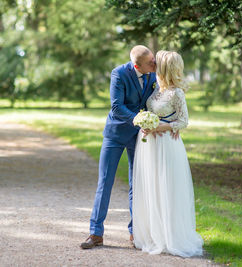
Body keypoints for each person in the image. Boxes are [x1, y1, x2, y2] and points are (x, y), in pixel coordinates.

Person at [80, 45, 157, 249]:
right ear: (136, 65)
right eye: (151, 62)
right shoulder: (119, 73)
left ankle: (135, 233)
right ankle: (96, 233)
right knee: (105, 182)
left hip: (138, 137)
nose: (154, 64)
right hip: (115, 134)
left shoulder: (152, 76)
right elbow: (116, 106)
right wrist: (139, 119)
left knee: (136, 184)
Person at [132, 51, 203, 257]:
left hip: (166, 145)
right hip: (149, 145)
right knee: (152, 187)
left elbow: (183, 121)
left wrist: (160, 127)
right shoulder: (156, 89)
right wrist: (145, 122)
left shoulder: (176, 93)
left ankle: (171, 236)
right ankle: (154, 234)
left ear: (165, 68)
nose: (153, 64)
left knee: (167, 188)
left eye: (157, 63)